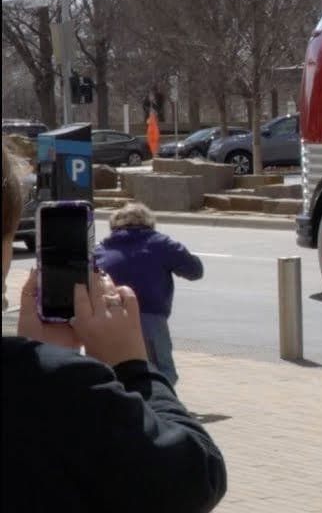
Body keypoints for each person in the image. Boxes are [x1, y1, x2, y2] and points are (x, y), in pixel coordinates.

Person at [1, 141, 226, 512]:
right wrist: (133, 367)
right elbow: (196, 478)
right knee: (163, 366)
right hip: (141, 326)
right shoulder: (50, 388)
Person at [94, 202, 204, 387]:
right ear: (149, 223)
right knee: (162, 372)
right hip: (150, 316)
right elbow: (195, 271)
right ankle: (161, 409)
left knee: (113, 368)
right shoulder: (160, 243)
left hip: (110, 316)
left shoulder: (100, 250)